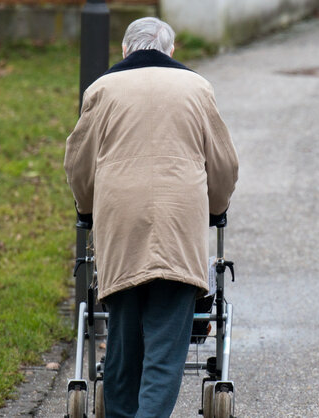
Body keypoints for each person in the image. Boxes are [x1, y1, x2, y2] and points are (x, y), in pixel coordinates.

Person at [64, 17, 238, 418]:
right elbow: (225, 165)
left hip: (121, 225)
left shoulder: (102, 90)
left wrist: (87, 207)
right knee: (165, 347)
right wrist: (216, 207)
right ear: (171, 51)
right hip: (178, 226)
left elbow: (78, 163)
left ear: (125, 51)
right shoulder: (197, 88)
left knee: (123, 344)